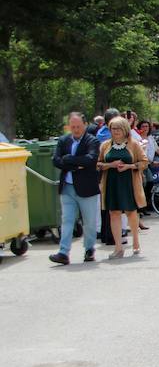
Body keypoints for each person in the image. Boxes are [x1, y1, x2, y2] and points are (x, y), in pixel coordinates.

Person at [49, 113, 101, 265]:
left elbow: (91, 159)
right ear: (69, 127)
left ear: (84, 125)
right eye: (73, 127)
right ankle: (63, 252)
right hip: (67, 187)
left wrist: (69, 159)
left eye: (78, 127)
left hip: (87, 188)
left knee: (89, 222)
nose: (76, 130)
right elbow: (56, 160)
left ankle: (89, 249)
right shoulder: (63, 140)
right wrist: (77, 165)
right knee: (67, 220)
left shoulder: (92, 140)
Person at [97, 117, 148, 258]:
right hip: (112, 183)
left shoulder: (134, 144)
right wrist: (110, 165)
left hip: (129, 183)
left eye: (118, 128)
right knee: (114, 213)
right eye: (113, 129)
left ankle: (136, 242)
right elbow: (98, 163)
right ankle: (118, 248)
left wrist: (129, 166)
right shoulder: (105, 145)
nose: (116, 131)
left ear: (125, 129)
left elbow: (144, 162)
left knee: (131, 212)